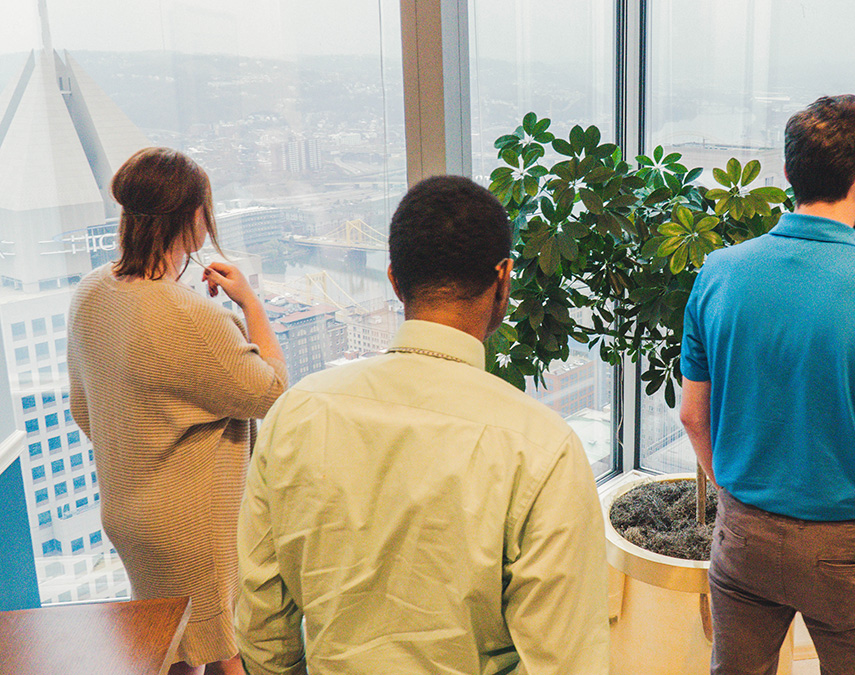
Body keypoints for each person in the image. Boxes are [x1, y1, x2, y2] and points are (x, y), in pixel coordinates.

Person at [235, 174, 608, 675]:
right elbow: (564, 662)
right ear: (504, 279)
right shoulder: (541, 448)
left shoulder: (296, 413)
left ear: (393, 279)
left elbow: (262, 626)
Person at [679, 94, 855, 675]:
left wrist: (731, 490)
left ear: (787, 173)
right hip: (850, 546)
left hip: (745, 532)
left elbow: (692, 416)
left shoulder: (719, 273)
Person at [68, 147, 288, 675]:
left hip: (127, 514)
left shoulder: (91, 292)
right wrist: (251, 306)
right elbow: (273, 390)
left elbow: (83, 409)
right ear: (192, 221)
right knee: (221, 651)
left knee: (173, 649)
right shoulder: (188, 314)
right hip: (189, 524)